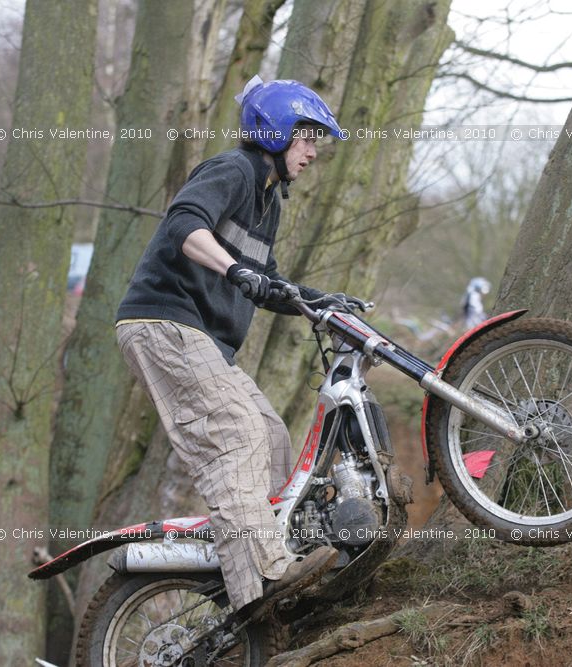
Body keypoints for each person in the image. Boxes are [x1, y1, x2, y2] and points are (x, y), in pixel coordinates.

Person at [115, 77, 342, 617]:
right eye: (307, 137)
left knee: (271, 437)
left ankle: (281, 568)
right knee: (235, 434)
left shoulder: (269, 203)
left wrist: (322, 303)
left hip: (204, 341)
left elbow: (268, 282)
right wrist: (235, 268)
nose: (312, 152)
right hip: (165, 322)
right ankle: (259, 580)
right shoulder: (233, 171)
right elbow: (183, 226)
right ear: (278, 129)